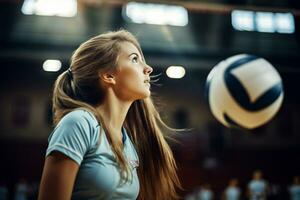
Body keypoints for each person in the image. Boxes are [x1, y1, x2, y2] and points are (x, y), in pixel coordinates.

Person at [38, 30, 181, 200]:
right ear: (108, 75)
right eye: (135, 59)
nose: (148, 69)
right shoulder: (79, 123)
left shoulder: (127, 140)